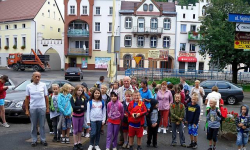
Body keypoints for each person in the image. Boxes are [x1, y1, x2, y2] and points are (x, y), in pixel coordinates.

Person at [25, 72, 49, 147]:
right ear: (32, 77)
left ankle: (43, 139)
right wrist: (27, 110)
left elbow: (46, 97)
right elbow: (27, 98)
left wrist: (47, 108)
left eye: (39, 77)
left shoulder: (43, 85)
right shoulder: (28, 86)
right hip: (33, 107)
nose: (37, 78)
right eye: (36, 76)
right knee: (33, 125)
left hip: (42, 107)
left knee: (42, 125)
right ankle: (34, 140)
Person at [117, 76, 135, 145]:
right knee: (122, 126)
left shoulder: (134, 89)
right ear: (123, 82)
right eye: (125, 81)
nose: (126, 82)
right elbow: (116, 99)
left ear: (130, 81)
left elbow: (138, 98)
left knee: (130, 127)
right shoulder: (119, 89)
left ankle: (130, 141)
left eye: (127, 81)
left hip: (131, 111)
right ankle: (122, 139)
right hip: (122, 110)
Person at [71, 85, 87, 150]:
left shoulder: (84, 98)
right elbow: (73, 107)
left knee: (80, 130)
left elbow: (85, 107)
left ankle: (79, 142)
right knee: (75, 130)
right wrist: (80, 107)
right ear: (76, 90)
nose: (80, 92)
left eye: (81, 90)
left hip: (81, 116)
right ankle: (75, 143)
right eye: (78, 90)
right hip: (75, 116)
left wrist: (80, 108)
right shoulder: (73, 98)